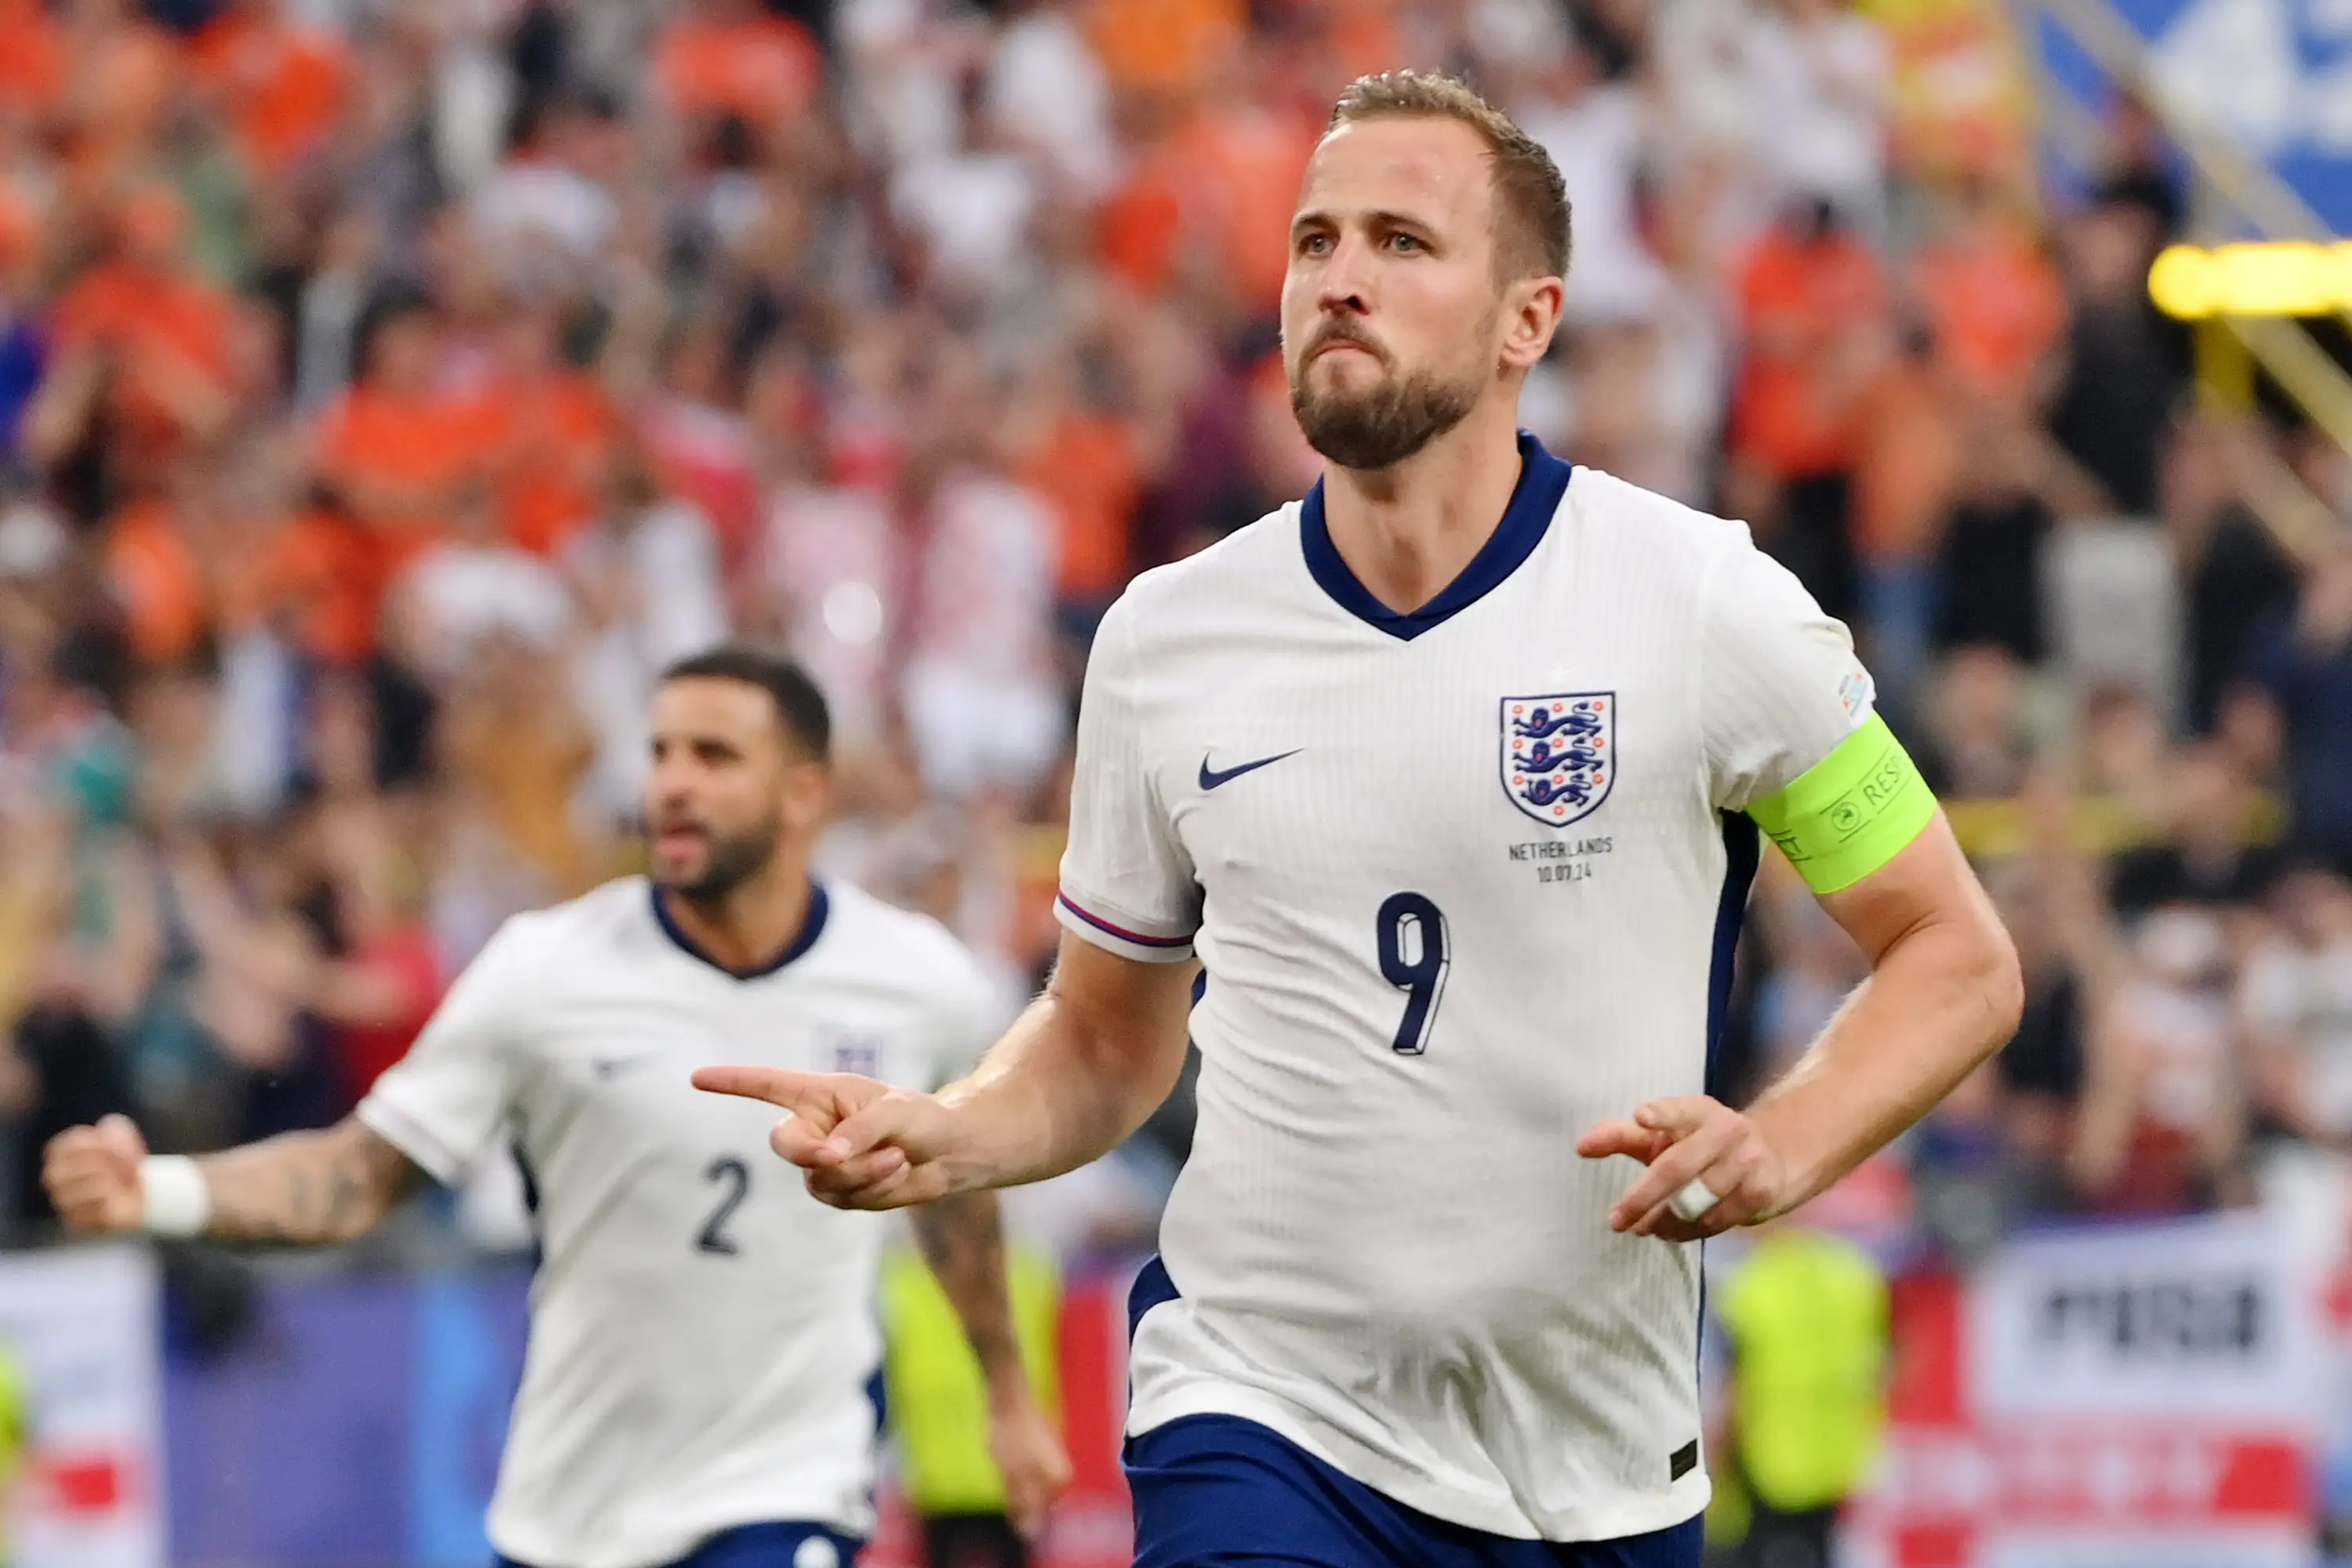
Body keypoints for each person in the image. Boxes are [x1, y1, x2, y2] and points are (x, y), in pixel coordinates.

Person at [700, 71, 2021, 1568]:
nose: (1338, 277)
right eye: (1314, 239)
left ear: (1528, 319)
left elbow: (1955, 955)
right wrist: (951, 1132)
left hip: (1589, 1461)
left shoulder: (1705, 603)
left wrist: (1784, 1143)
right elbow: (1101, 1039)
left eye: (1401, 241)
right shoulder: (1166, 640)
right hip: (1262, 1414)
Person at [43, 646, 1069, 1568]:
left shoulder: (918, 981)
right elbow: (359, 1179)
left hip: (788, 1484)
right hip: (571, 1510)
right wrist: (162, 1190)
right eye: (661, 751)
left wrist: (1008, 1396)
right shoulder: (545, 971)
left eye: (714, 756)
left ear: (804, 793)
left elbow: (956, 1199)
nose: (670, 782)